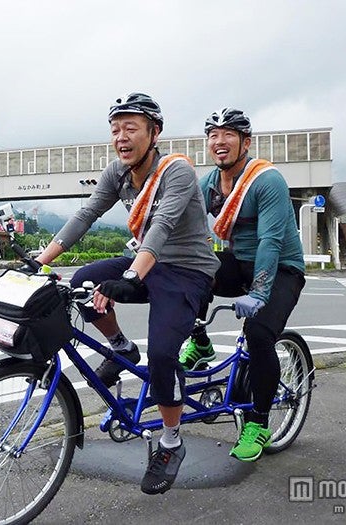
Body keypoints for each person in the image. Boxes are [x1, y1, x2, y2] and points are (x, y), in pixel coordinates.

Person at [33, 93, 219, 495]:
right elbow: (86, 215)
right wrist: (41, 261)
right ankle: (120, 347)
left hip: (187, 271)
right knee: (83, 281)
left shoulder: (177, 172)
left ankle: (171, 441)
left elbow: (162, 226)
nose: (121, 137)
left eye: (131, 128)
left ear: (154, 132)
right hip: (146, 264)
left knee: (166, 355)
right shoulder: (117, 172)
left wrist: (133, 276)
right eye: (115, 129)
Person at [178, 107, 306, 462]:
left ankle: (258, 422)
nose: (219, 142)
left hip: (281, 269)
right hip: (240, 264)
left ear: (245, 142)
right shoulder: (207, 184)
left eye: (228, 134)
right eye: (213, 136)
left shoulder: (267, 181)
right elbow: (185, 226)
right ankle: (200, 342)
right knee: (191, 271)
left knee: (260, 334)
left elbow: (271, 242)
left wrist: (260, 292)